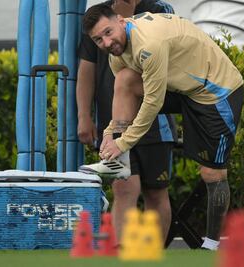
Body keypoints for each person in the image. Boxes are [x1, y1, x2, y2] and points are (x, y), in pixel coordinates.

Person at [81, 4, 244, 250]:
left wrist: (123, 142)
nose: (106, 42)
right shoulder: (116, 53)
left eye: (108, 32)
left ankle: (211, 244)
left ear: (120, 20)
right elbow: (125, 94)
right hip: (182, 87)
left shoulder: (150, 45)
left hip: (216, 92)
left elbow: (153, 103)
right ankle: (118, 163)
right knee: (125, 79)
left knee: (212, 174)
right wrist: (110, 135)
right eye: (98, 39)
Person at [77, 0, 176, 243]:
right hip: (115, 122)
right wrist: (84, 116)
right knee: (123, 188)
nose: (106, 42)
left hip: (157, 121)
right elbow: (86, 72)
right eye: (101, 39)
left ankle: (154, 255)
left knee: (156, 192)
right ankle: (122, 254)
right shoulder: (97, 19)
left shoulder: (159, 10)